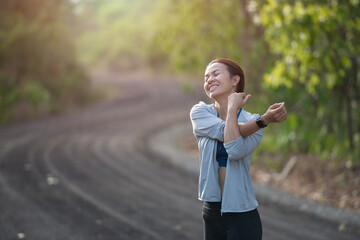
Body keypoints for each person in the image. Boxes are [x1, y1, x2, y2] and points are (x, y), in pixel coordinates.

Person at [190, 58, 287, 240]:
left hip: (242, 215)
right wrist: (263, 121)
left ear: (235, 80)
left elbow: (234, 149)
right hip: (211, 212)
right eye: (206, 77)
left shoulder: (253, 118)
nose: (209, 79)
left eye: (216, 74)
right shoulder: (200, 113)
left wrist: (235, 109)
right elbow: (224, 130)